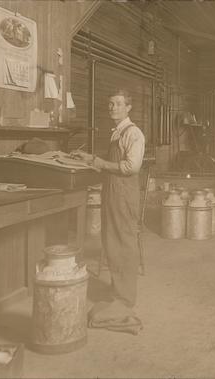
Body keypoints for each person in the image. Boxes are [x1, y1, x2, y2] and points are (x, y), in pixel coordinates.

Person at [72, 89, 145, 329]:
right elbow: (110, 164)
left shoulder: (133, 133)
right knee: (111, 241)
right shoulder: (117, 133)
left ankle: (125, 299)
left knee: (123, 242)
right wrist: (88, 159)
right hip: (112, 190)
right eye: (110, 104)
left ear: (128, 107)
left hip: (123, 193)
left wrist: (100, 163)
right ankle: (117, 291)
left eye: (117, 104)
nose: (112, 108)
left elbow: (131, 167)